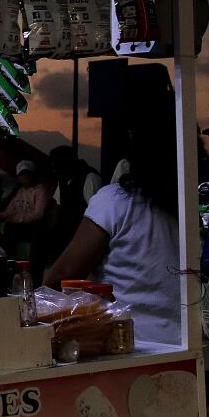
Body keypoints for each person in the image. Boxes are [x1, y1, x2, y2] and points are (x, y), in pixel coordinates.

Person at [40, 81, 183, 349]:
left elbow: (60, 278)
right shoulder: (199, 203)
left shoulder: (115, 201)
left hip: (132, 345)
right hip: (194, 344)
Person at [0, 159, 56, 272]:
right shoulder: (21, 191)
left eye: (27, 174)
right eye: (22, 175)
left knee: (10, 232)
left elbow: (38, 214)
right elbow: (11, 210)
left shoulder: (40, 190)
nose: (24, 177)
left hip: (33, 228)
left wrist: (16, 219)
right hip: (18, 226)